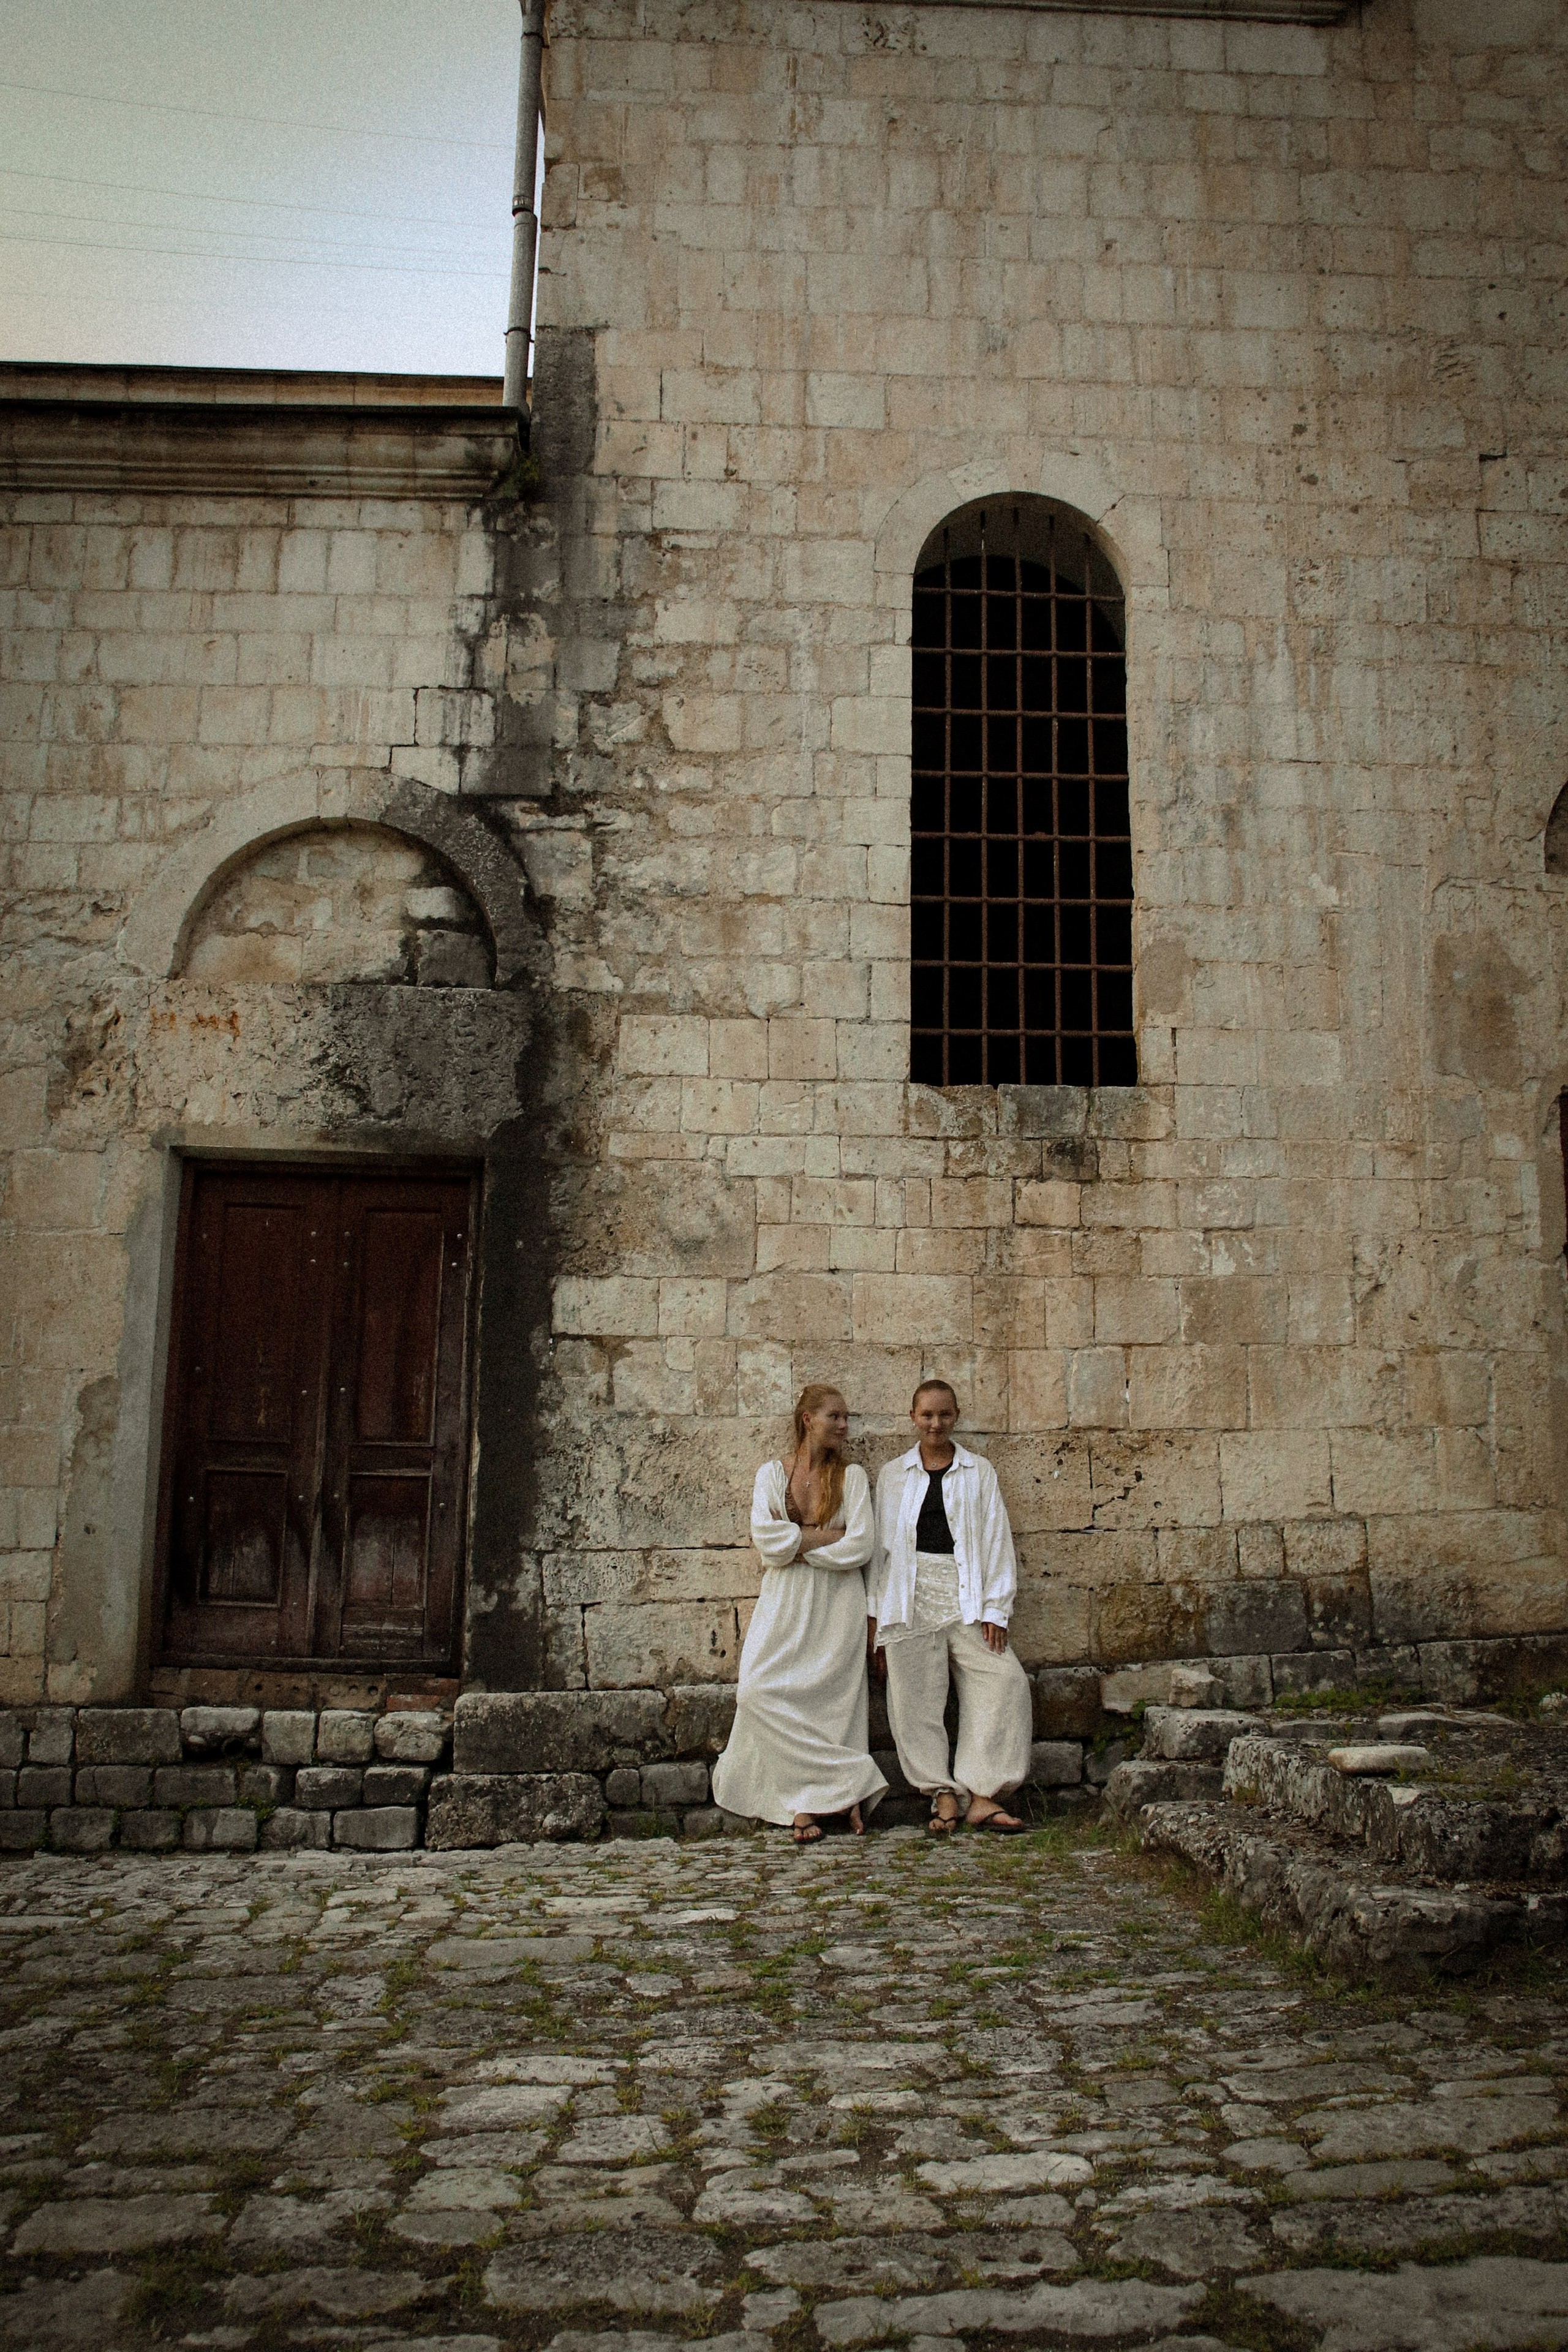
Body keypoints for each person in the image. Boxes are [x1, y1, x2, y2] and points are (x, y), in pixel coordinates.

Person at [712, 1384, 888, 1845]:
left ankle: (807, 1807)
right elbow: (766, 1542)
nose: (845, 1426)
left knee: (831, 1703)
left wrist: (797, 1545)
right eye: (836, 1417)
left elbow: (861, 1545)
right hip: (784, 1598)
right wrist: (824, 1539)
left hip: (838, 1601)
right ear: (808, 1419)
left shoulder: (851, 1480)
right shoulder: (771, 1475)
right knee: (756, 1692)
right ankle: (853, 1779)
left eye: (847, 1417)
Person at [870, 1379, 1032, 1835]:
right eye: (927, 1415)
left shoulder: (979, 1471)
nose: (936, 1423)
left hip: (967, 1596)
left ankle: (983, 1796)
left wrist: (997, 1608)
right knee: (913, 1696)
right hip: (907, 1595)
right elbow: (880, 1551)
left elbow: (997, 1539)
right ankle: (941, 1793)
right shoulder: (893, 1475)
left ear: (956, 1416)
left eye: (944, 1415)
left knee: (1005, 1683)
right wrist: (875, 1617)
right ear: (913, 1418)